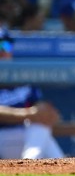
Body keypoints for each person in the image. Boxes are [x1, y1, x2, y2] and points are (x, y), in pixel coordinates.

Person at [0, 28, 65, 159]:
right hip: (2, 135)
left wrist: (46, 113)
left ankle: (30, 162)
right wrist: (28, 114)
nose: (2, 51)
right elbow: (30, 113)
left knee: (40, 127)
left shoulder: (21, 75)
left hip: (25, 137)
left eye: (5, 46)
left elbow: (39, 108)